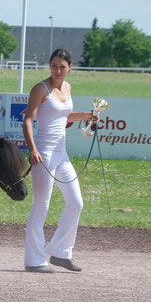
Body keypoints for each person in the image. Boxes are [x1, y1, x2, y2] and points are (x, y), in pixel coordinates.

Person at [22, 48, 98, 273]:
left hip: (61, 154)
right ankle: (34, 260)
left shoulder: (68, 87)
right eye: (54, 65)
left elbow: (63, 117)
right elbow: (27, 120)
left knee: (76, 203)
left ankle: (60, 252)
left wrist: (87, 116)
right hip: (43, 153)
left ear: (70, 68)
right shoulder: (40, 88)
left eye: (62, 66)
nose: (57, 70)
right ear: (49, 65)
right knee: (40, 208)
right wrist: (32, 149)